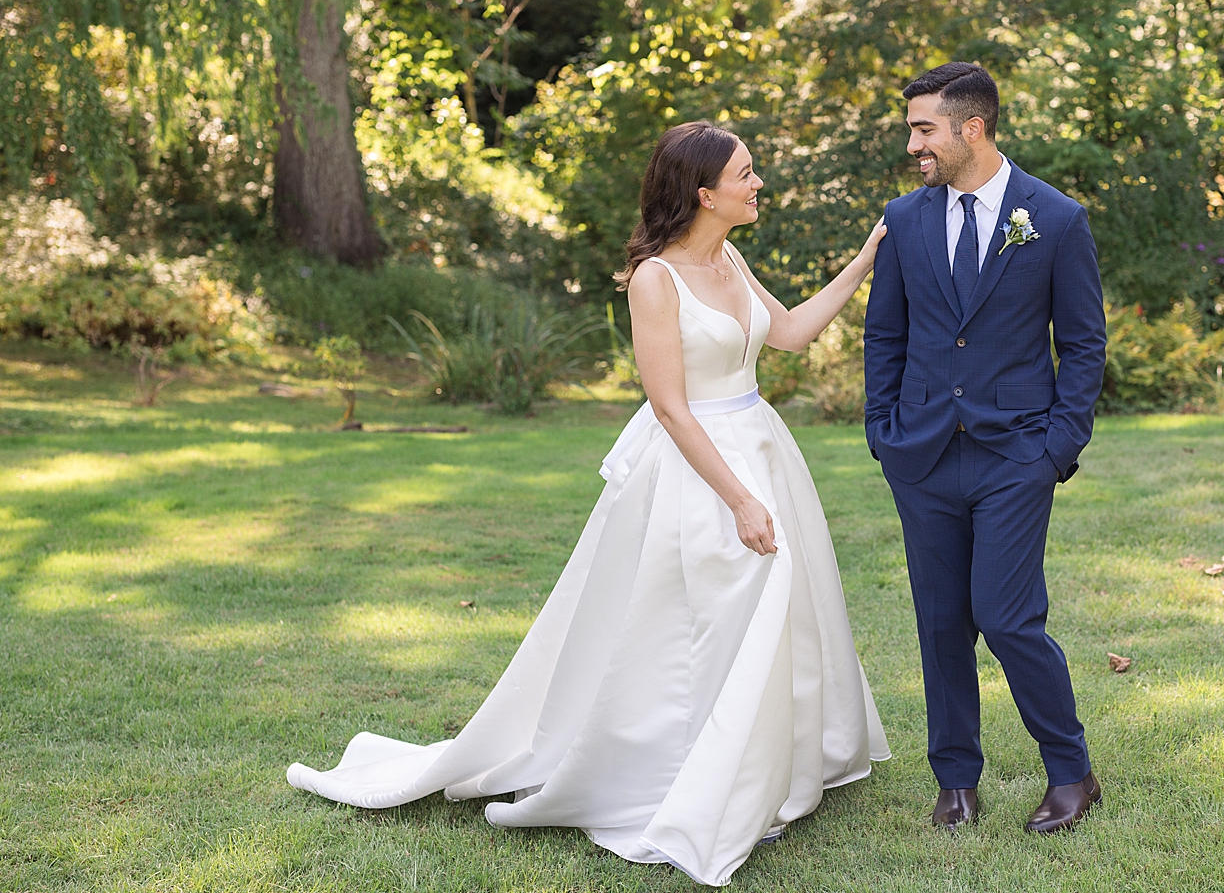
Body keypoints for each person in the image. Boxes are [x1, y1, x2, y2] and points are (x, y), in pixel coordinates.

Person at [288, 121, 890, 887]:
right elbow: (670, 408)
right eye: (745, 173)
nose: (758, 183)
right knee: (705, 622)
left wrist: (865, 261)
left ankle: (759, 771)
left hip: (761, 448)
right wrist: (738, 498)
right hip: (697, 470)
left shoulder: (732, 259)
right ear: (704, 193)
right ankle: (694, 780)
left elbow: (795, 335)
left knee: (772, 617)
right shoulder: (655, 280)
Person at [863, 62, 1107, 833]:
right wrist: (884, 432)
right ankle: (956, 782)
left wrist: (1054, 451)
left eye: (923, 128)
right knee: (940, 623)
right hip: (923, 455)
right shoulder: (903, 221)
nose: (913, 145)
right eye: (912, 130)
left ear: (972, 128)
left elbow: (1084, 345)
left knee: (1006, 618)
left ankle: (1071, 772)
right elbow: (886, 336)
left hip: (1015, 456)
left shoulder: (1056, 219)